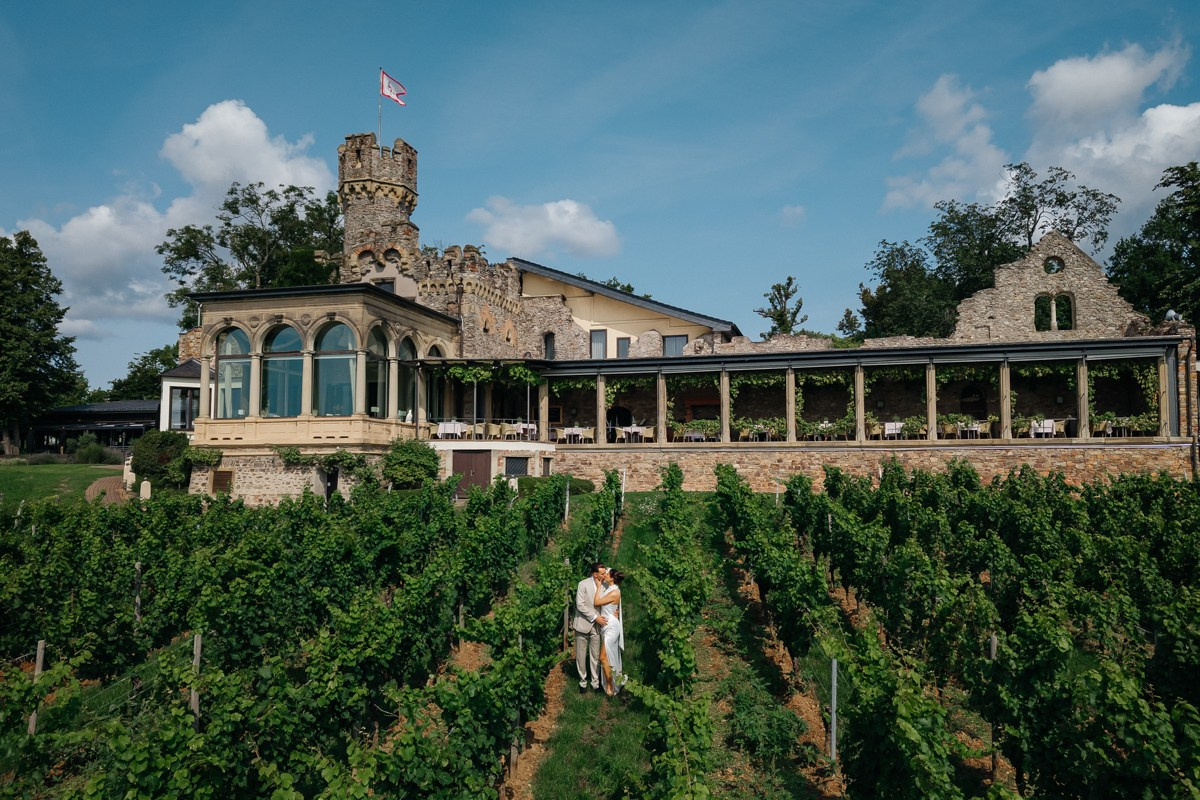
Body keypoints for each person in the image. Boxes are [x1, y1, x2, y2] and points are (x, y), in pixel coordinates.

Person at [572, 562, 608, 693]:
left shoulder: (605, 585)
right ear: (595, 574)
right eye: (603, 573)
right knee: (581, 655)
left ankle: (595, 682)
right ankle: (582, 682)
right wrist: (595, 617)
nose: (605, 575)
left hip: (597, 627)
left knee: (595, 655)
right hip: (583, 624)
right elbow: (580, 605)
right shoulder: (583, 584)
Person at [595, 568, 625, 696]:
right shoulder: (610, 589)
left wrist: (599, 585)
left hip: (611, 627)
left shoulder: (614, 592)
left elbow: (596, 602)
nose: (605, 575)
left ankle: (610, 686)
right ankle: (612, 682)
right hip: (607, 626)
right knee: (608, 656)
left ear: (612, 578)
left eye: (607, 574)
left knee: (603, 657)